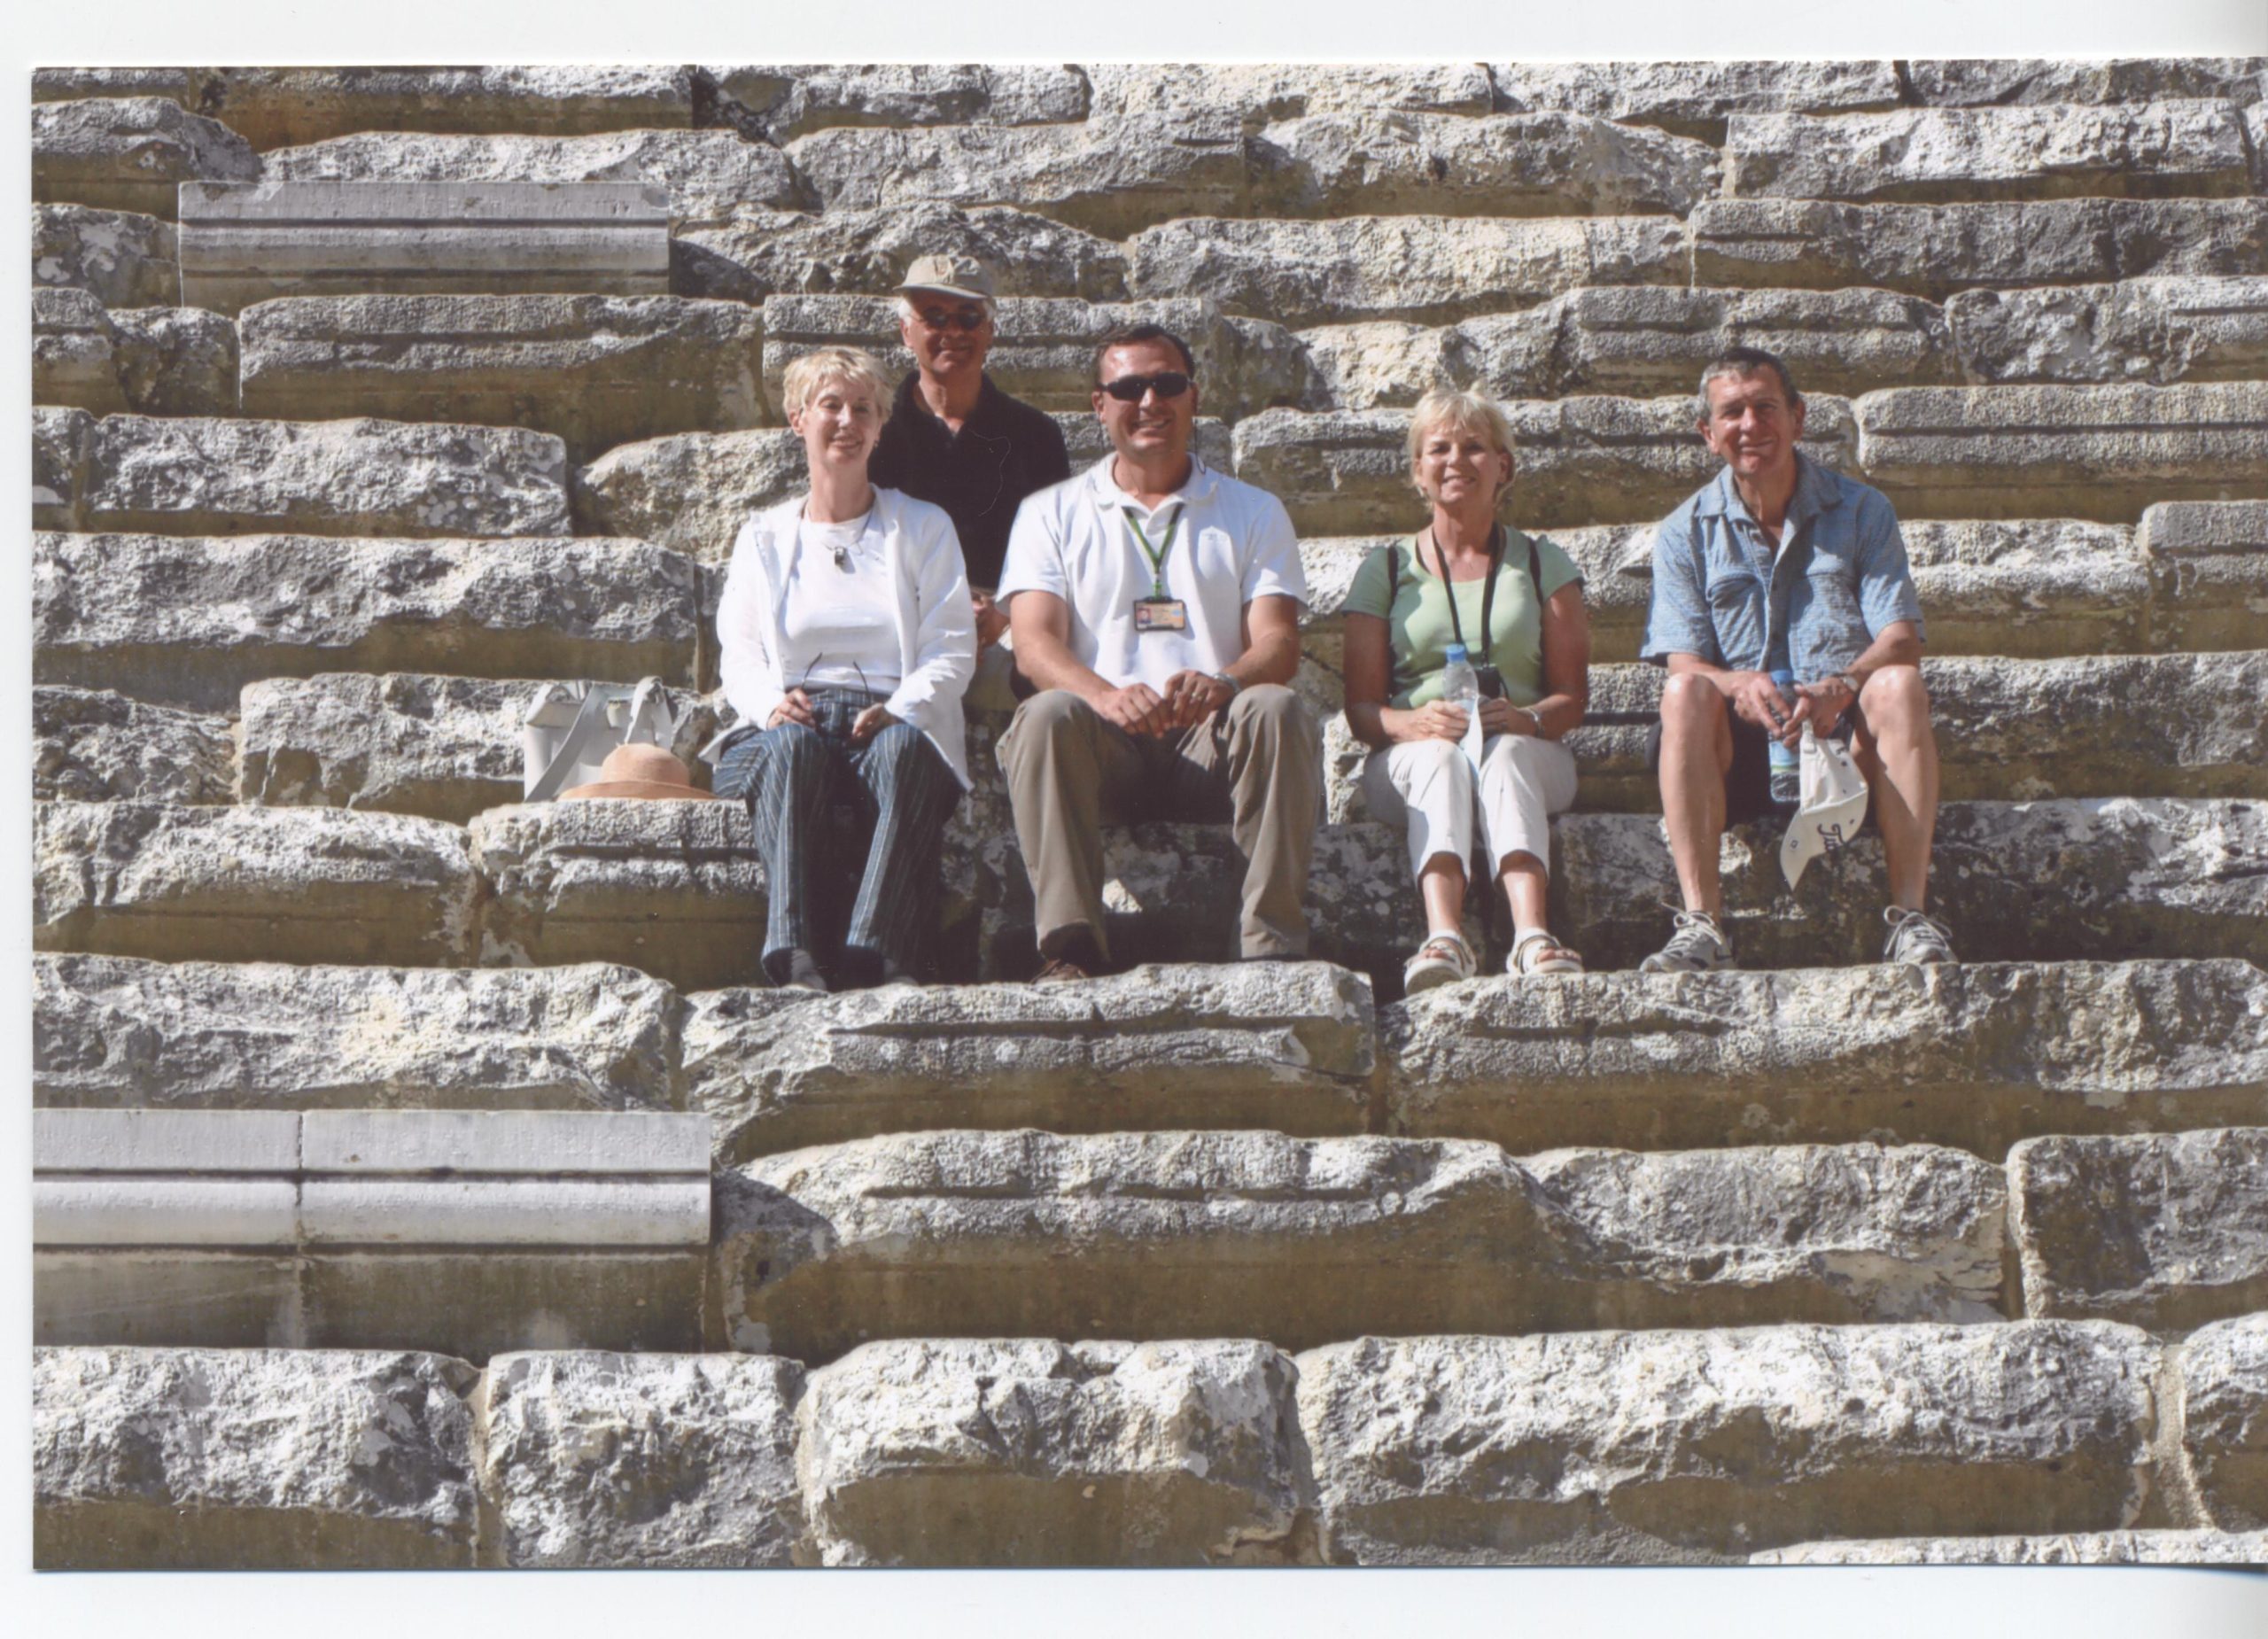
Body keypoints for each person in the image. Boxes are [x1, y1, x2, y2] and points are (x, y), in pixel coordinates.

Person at [996, 322, 1321, 982]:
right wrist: (1105, 697)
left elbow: (1280, 641)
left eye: (1167, 384)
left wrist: (1224, 683)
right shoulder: (1049, 512)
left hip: (1210, 745)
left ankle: (1273, 948)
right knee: (1043, 715)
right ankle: (1072, 947)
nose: (1150, 402)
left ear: (1193, 397)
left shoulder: (1253, 510)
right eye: (1129, 387)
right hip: (1104, 749)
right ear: (1099, 404)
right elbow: (1032, 644)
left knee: (1278, 708)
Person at [1639, 344, 1954, 972]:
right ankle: (1702, 924)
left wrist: (1841, 685)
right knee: (1684, 694)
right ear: (1709, 434)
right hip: (1740, 754)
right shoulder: (1683, 531)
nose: (1750, 426)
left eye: (1765, 408)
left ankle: (1912, 920)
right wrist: (1736, 685)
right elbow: (1683, 660)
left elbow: (1900, 635)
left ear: (1798, 418)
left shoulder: (1863, 510)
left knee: (1898, 684)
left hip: (1841, 744)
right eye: (1732, 413)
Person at [709, 346, 977, 992]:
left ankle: (877, 954)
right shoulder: (763, 537)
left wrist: (901, 708)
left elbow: (951, 647)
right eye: (831, 405)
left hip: (885, 720)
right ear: (799, 419)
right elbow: (738, 651)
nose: (847, 422)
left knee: (909, 749)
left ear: (882, 427)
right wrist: (771, 703)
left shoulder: (922, 527)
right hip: (785, 724)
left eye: (864, 409)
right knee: (793, 747)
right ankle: (794, 956)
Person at [1341, 388, 1592, 991]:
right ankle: (1444, 936)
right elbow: (1361, 709)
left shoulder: (1541, 562)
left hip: (1525, 747)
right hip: (1412, 753)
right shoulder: (1387, 569)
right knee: (1437, 758)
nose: (1457, 461)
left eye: (1475, 447)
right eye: (1440, 449)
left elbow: (1572, 699)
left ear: (1502, 466)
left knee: (1502, 756)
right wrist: (1413, 723)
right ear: (1418, 473)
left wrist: (1525, 719)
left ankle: (1532, 934)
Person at [868, 253, 1072, 667]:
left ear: (990, 331)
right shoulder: (874, 433)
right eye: (935, 317)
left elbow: (1057, 550)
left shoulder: (1036, 435)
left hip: (1008, 624)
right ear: (906, 332)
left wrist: (1001, 612)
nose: (954, 331)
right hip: (900, 618)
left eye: (968, 317)